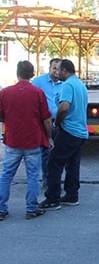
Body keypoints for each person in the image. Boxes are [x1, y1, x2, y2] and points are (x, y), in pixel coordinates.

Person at [0, 61, 53, 220]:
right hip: (33, 140)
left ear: (18, 73)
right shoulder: (37, 92)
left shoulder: (5, 93)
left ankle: (1, 209)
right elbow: (46, 119)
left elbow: (1, 115)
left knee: (7, 175)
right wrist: (49, 137)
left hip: (13, 140)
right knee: (33, 176)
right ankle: (31, 208)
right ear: (32, 74)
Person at [39, 59, 89, 210]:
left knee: (53, 163)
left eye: (59, 69)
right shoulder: (80, 84)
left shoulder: (68, 85)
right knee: (72, 164)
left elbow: (63, 108)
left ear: (65, 71)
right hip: (80, 132)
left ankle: (52, 199)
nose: (56, 72)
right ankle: (72, 195)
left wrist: (57, 124)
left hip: (69, 131)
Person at [32, 58, 62, 188]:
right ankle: (47, 180)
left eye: (59, 69)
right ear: (49, 68)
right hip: (43, 123)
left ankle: (55, 179)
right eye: (54, 68)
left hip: (60, 123)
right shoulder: (38, 82)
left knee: (58, 153)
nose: (56, 71)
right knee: (46, 153)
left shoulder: (65, 83)